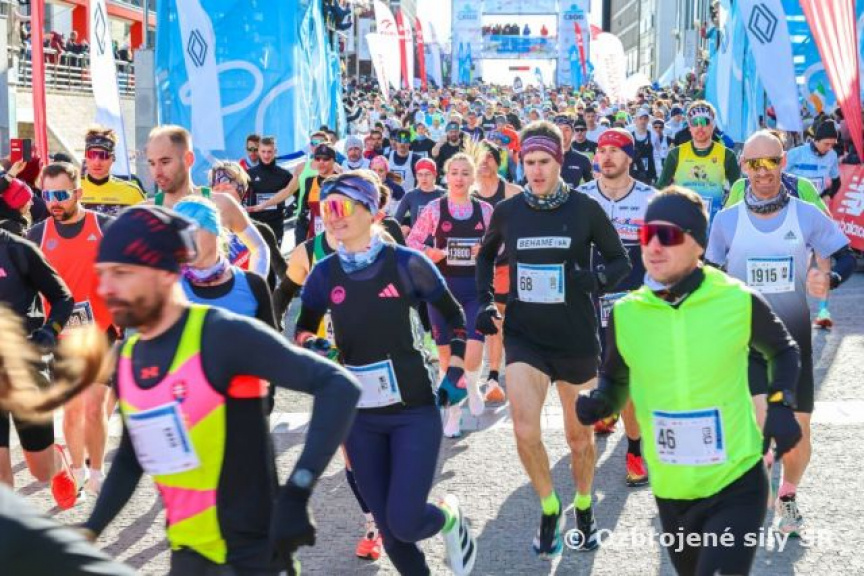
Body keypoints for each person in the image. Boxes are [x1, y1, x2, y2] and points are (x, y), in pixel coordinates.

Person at [81, 205, 361, 576]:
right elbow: (132, 458)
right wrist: (90, 530)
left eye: (120, 273)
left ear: (162, 272)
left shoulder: (221, 334)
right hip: (188, 554)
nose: (106, 288)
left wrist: (297, 490)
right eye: (102, 274)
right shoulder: (129, 358)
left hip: (253, 556)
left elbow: (339, 386)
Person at [576, 186, 803, 576]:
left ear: (697, 243)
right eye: (647, 234)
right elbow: (615, 378)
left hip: (736, 481)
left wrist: (781, 404)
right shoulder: (627, 314)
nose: (654, 246)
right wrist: (601, 402)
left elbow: (784, 349)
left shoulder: (735, 299)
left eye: (667, 235)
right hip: (671, 490)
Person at [296, 172, 478, 575]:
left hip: (413, 409)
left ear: (371, 210)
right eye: (326, 208)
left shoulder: (407, 264)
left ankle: (449, 516)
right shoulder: (323, 273)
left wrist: (456, 371)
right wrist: (314, 345)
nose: (332, 216)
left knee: (406, 521)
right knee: (392, 535)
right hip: (359, 418)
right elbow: (302, 328)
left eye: (341, 206)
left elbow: (455, 317)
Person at [475, 121, 631, 556]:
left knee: (579, 439)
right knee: (524, 429)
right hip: (525, 337)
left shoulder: (585, 209)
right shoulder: (509, 211)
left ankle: (583, 504)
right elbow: (484, 256)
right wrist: (485, 302)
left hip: (575, 338)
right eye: (529, 162)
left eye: (544, 161)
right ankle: (548, 506)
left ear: (559, 162)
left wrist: (595, 279)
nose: (537, 171)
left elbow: (620, 261)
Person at [706, 131, 855, 537]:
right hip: (745, 343)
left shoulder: (805, 214)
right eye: (754, 164)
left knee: (798, 435)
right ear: (743, 168)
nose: (763, 171)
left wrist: (830, 278)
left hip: (792, 341)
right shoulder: (726, 221)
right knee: (759, 423)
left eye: (771, 161)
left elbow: (844, 255)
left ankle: (787, 494)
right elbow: (709, 272)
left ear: (783, 162)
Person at [0, 307, 138, 575]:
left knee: (92, 410)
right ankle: (76, 471)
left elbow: (60, 297)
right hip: (60, 340)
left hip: (92, 333)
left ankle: (84, 470)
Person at [27, 162, 118, 499]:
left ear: (78, 192)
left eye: (62, 195)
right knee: (74, 408)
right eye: (47, 195)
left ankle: (97, 472)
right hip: (61, 332)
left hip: (101, 331)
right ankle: (77, 470)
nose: (54, 202)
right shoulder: (36, 235)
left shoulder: (104, 227)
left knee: (94, 404)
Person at [577, 129, 656, 487]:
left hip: (633, 297)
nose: (606, 156)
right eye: (602, 150)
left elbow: (662, 253)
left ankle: (635, 449)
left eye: (615, 150)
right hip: (590, 296)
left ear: (630, 157)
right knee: (595, 365)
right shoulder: (581, 196)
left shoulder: (649, 199)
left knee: (626, 371)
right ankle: (608, 409)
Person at [407, 153, 493, 437]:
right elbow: (411, 242)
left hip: (474, 291)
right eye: (454, 172)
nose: (459, 178)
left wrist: (485, 250)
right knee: (446, 358)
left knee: (472, 350)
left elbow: (501, 246)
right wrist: (430, 252)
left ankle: (472, 382)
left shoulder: (485, 210)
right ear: (446, 176)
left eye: (465, 173)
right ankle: (453, 415)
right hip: (442, 292)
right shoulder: (435, 208)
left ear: (473, 177)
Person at [0, 205, 76, 508]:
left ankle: (57, 462)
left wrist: (49, 332)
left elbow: (63, 298)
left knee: (40, 470)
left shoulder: (18, 250)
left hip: (25, 367)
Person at [148, 125, 272, 278]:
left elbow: (259, 248)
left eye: (165, 162)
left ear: (188, 159)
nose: (157, 172)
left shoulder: (222, 203)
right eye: (151, 163)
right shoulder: (145, 212)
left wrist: (252, 288)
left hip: (220, 291)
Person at [471, 142, 520, 402]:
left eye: (490, 157)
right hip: (477, 267)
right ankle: (486, 374)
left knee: (506, 319)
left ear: (498, 162)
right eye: (481, 157)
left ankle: (503, 372)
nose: (485, 162)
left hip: (506, 265)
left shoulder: (511, 192)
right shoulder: (467, 192)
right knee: (488, 319)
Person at [784, 120, 842, 329]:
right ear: (816, 139)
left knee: (824, 261)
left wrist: (826, 196)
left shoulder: (832, 156)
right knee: (799, 266)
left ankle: (824, 311)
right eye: (826, 143)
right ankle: (793, 312)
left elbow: (837, 182)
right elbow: (778, 176)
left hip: (818, 215)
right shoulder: (795, 154)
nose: (829, 148)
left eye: (833, 144)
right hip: (795, 216)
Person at [657, 101, 740, 224]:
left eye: (705, 122)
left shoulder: (727, 155)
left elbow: (738, 190)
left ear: (713, 125)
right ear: (689, 127)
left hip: (714, 224)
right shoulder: (675, 154)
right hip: (683, 223)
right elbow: (660, 187)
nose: (700, 127)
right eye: (695, 122)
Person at [207, 160, 284, 287]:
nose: (221, 194)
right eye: (216, 189)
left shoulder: (260, 230)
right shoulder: (207, 233)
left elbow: (282, 272)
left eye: (227, 188)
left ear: (241, 190)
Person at [79, 126, 146, 216]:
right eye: (91, 155)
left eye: (103, 156)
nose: (97, 162)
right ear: (85, 157)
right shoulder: (72, 190)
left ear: (113, 158)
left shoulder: (133, 192)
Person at [246, 135, 294, 249]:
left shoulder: (284, 175)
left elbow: (298, 193)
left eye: (269, 152)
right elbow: (241, 196)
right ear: (258, 151)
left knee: (274, 258)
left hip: (276, 224)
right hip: (256, 224)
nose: (266, 155)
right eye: (263, 152)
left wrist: (291, 207)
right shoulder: (249, 174)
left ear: (275, 152)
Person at [293, 143, 339, 244]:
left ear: (333, 160)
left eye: (326, 159)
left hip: (336, 239)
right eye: (317, 158)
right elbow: (304, 214)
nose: (321, 162)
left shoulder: (342, 182)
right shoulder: (310, 181)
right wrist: (300, 242)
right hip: (315, 238)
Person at [554, 114, 594, 189]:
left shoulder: (582, 160)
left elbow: (592, 187)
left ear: (573, 133)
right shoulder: (543, 158)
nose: (562, 134)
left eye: (566, 130)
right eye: (559, 129)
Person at [629, 109, 657, 185]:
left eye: (645, 119)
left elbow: (657, 155)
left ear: (648, 121)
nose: (643, 121)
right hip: (633, 173)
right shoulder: (630, 136)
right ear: (635, 120)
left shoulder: (653, 135)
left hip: (648, 173)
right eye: (640, 119)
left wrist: (658, 172)